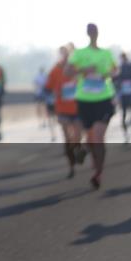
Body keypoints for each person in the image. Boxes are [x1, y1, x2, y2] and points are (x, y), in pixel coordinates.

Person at [64, 23, 117, 190]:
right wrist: (84, 70)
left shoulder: (106, 53)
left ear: (98, 33)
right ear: (88, 33)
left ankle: (98, 174)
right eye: (91, 31)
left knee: (99, 137)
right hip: (85, 100)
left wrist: (108, 74)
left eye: (95, 31)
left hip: (104, 98)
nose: (93, 33)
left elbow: (115, 70)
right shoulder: (79, 53)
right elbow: (67, 72)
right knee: (91, 137)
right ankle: (88, 155)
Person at [45, 45, 84, 178]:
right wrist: (52, 93)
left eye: (67, 53)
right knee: (67, 137)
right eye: (63, 53)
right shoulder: (55, 70)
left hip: (78, 108)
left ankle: (78, 150)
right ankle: (71, 166)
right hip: (62, 109)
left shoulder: (78, 68)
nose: (65, 56)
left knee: (77, 137)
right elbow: (48, 87)